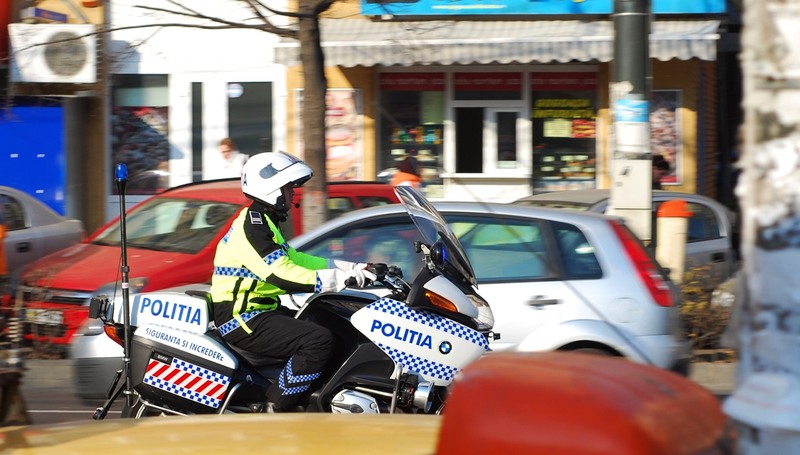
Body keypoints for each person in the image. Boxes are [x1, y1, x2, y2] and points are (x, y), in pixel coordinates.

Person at [209, 151, 375, 412]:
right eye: (288, 188)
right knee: (318, 340)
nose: (293, 193)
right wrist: (341, 279)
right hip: (242, 317)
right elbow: (280, 273)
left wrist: (352, 267)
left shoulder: (264, 222)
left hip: (260, 311)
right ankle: (275, 408)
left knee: (330, 320)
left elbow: (298, 260)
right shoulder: (252, 227)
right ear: (272, 189)